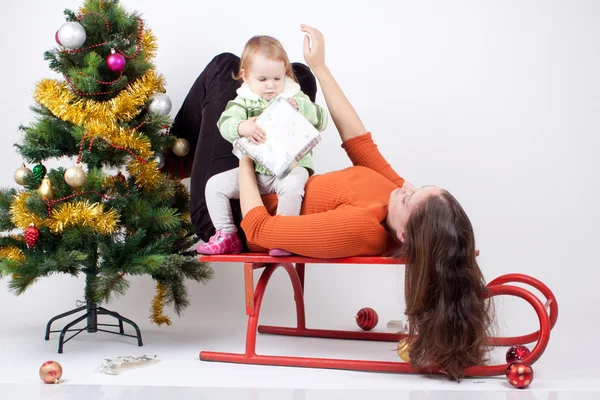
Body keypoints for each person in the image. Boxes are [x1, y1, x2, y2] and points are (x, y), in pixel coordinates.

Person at [235, 24, 493, 381]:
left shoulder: (362, 228)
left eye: (410, 199)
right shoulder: (395, 193)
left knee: (223, 68)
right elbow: (357, 140)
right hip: (275, 169)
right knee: (304, 75)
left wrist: (244, 156)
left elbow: (259, 231)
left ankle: (170, 159)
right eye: (419, 188)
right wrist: (321, 66)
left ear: (404, 234)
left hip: (240, 202)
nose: (406, 187)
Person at [195, 35, 328, 256]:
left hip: (289, 168)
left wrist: (302, 109)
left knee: (293, 187)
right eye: (263, 79)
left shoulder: (293, 95)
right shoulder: (244, 100)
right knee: (214, 186)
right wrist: (242, 127)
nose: (270, 86)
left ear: (285, 74)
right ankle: (226, 234)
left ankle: (284, 236)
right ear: (246, 77)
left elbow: (321, 119)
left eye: (277, 78)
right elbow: (224, 123)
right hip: (256, 173)